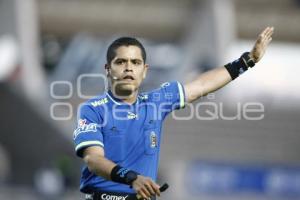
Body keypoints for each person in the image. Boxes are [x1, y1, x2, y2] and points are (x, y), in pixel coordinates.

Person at [73, 27, 274, 200]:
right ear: (108, 69)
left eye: (135, 62)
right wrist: (131, 177)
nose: (128, 68)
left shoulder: (156, 102)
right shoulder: (93, 109)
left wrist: (247, 60)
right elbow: (93, 160)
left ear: (145, 70)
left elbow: (202, 84)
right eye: (120, 62)